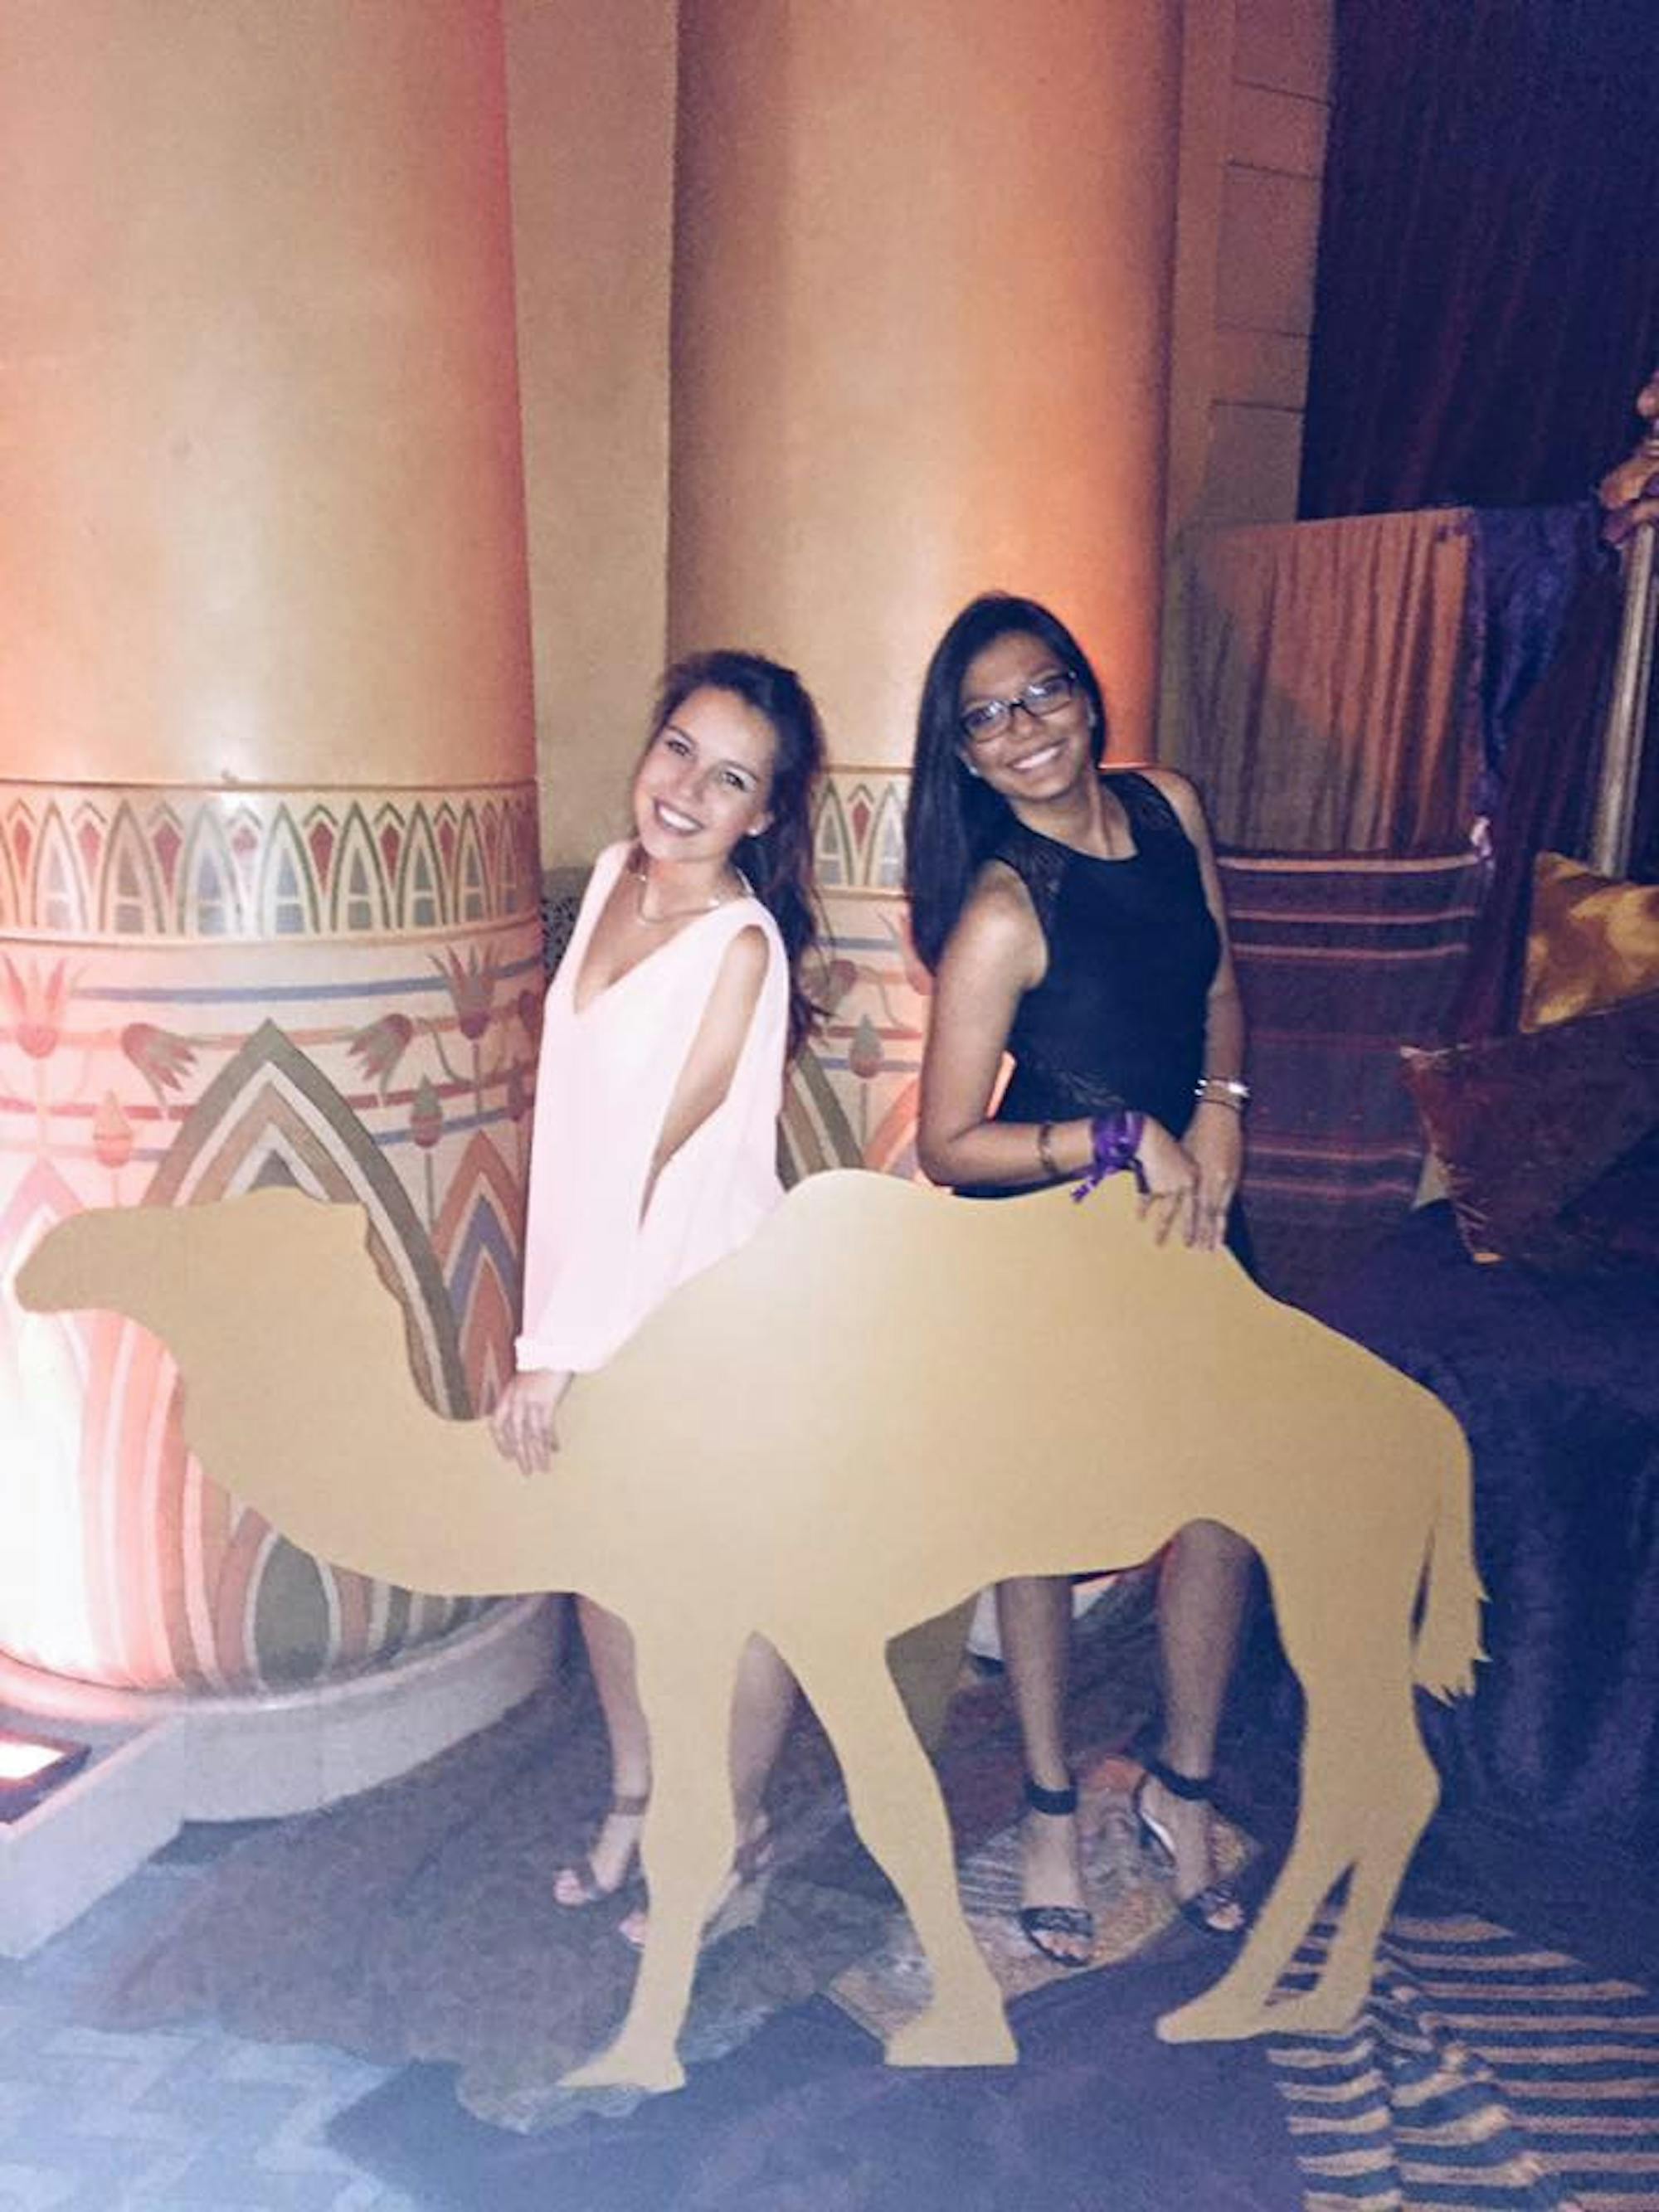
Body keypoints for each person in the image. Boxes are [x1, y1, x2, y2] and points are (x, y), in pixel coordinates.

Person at [904, 591, 1254, 1967]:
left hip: (1195, 1214)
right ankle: (1050, 1808)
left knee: (1227, 1502)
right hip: (1057, 1237)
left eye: (1043, 692)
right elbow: (947, 1143)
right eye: (988, 717)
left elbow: (1220, 982)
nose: (1026, 728)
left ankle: (1183, 1782)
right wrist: (1117, 1133)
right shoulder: (1001, 910)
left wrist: (1221, 1101)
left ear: (1086, 696)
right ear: (968, 758)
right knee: (1042, 1532)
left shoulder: (1166, 807)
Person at [491, 648, 825, 1947]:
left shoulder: (738, 948)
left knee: (719, 1596)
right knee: (602, 1571)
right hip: (587, 1305)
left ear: (764, 814)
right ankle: (639, 1794)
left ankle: (728, 1839)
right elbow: (577, 1132)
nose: (686, 788)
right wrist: (553, 1327)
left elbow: (661, 1175)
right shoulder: (618, 882)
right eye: (678, 746)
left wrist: (555, 1353)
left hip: (702, 1321)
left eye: (730, 776)